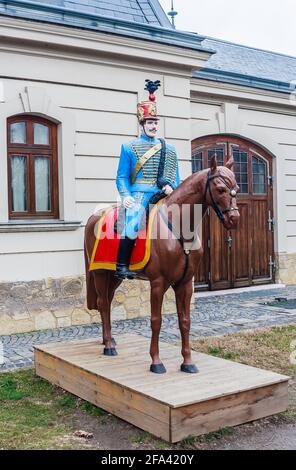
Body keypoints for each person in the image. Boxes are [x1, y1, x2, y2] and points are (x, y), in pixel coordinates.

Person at [115, 80, 181, 279]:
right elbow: (121, 176)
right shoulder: (128, 147)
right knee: (134, 223)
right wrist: (125, 195)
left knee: (185, 220)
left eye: (155, 122)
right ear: (142, 124)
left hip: (163, 195)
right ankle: (122, 265)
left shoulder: (170, 149)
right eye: (149, 122)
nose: (153, 126)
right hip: (139, 195)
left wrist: (172, 187)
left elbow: (176, 178)